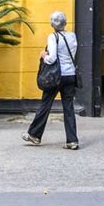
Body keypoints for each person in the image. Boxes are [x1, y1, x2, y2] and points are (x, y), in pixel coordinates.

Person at [23, 11, 80, 150]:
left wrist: (44, 55)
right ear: (65, 23)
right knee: (69, 108)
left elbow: (52, 58)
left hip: (56, 76)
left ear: (52, 24)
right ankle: (72, 141)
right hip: (70, 75)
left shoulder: (53, 37)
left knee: (45, 104)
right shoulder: (72, 35)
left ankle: (34, 135)